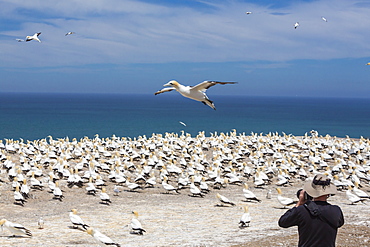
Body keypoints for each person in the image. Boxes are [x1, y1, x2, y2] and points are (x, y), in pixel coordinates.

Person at [278, 174, 344, 247]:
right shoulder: (336, 210)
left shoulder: (302, 210)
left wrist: (299, 203)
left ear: (311, 191)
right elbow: (340, 223)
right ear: (328, 193)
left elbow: (283, 222)